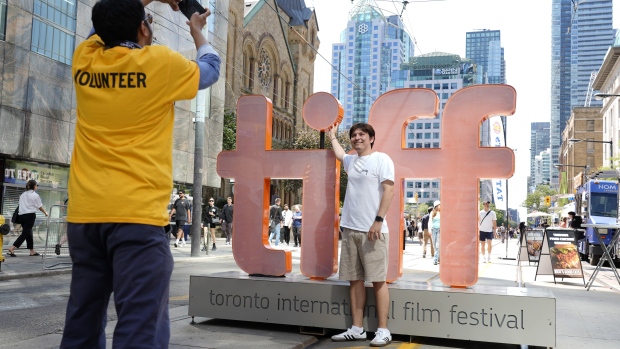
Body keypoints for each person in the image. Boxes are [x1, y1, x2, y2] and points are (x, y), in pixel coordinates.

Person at [61, 0, 220, 347]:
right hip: (135, 217)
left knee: (82, 320)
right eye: (147, 21)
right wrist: (197, 33)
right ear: (144, 30)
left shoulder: (84, 59)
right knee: (140, 324)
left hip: (85, 217)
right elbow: (210, 68)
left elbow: (101, 27)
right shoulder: (159, 64)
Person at [328, 123, 395, 347]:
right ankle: (357, 329)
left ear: (371, 138)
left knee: (377, 280)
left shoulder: (381, 159)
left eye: (362, 135)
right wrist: (332, 136)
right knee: (354, 280)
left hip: (373, 231)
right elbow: (339, 154)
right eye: (354, 135)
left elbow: (389, 190)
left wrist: (378, 220)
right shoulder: (351, 161)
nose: (357, 138)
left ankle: (383, 330)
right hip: (350, 229)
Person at [7, 180, 48, 257]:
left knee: (28, 232)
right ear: (34, 186)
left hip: (21, 216)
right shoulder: (35, 195)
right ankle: (12, 248)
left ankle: (32, 251)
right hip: (29, 216)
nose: (37, 186)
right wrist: (45, 212)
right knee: (25, 233)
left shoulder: (23, 194)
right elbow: (39, 206)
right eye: (37, 185)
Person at [430, 201, 441, 265]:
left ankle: (435, 259)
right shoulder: (432, 213)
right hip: (433, 229)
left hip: (440, 229)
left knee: (437, 245)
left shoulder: (442, 213)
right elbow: (430, 221)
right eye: (439, 205)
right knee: (434, 245)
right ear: (436, 206)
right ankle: (438, 257)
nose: (440, 206)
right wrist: (429, 229)